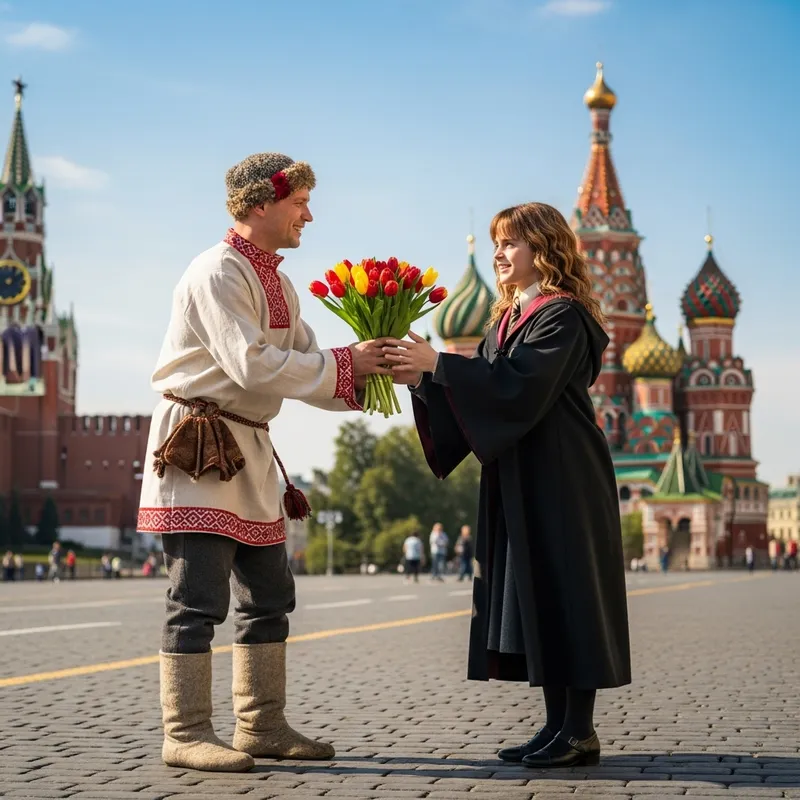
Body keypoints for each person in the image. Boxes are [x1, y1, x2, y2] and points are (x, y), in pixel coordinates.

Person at [136, 152, 390, 773]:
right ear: (259, 205)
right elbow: (251, 364)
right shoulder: (215, 271)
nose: (310, 214)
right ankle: (186, 731)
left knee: (270, 593)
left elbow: (308, 363)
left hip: (247, 446)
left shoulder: (278, 281)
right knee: (197, 597)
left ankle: (260, 724)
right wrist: (348, 362)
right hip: (197, 447)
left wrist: (373, 370)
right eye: (299, 202)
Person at [384, 202, 631, 768]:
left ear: (543, 247)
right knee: (538, 598)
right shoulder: (508, 318)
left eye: (510, 243)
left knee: (567, 595)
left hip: (565, 477)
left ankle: (580, 732)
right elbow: (482, 391)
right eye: (496, 243)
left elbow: (519, 387)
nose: (498, 253)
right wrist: (424, 376)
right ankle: (555, 727)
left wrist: (442, 364)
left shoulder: (562, 314)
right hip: (523, 476)